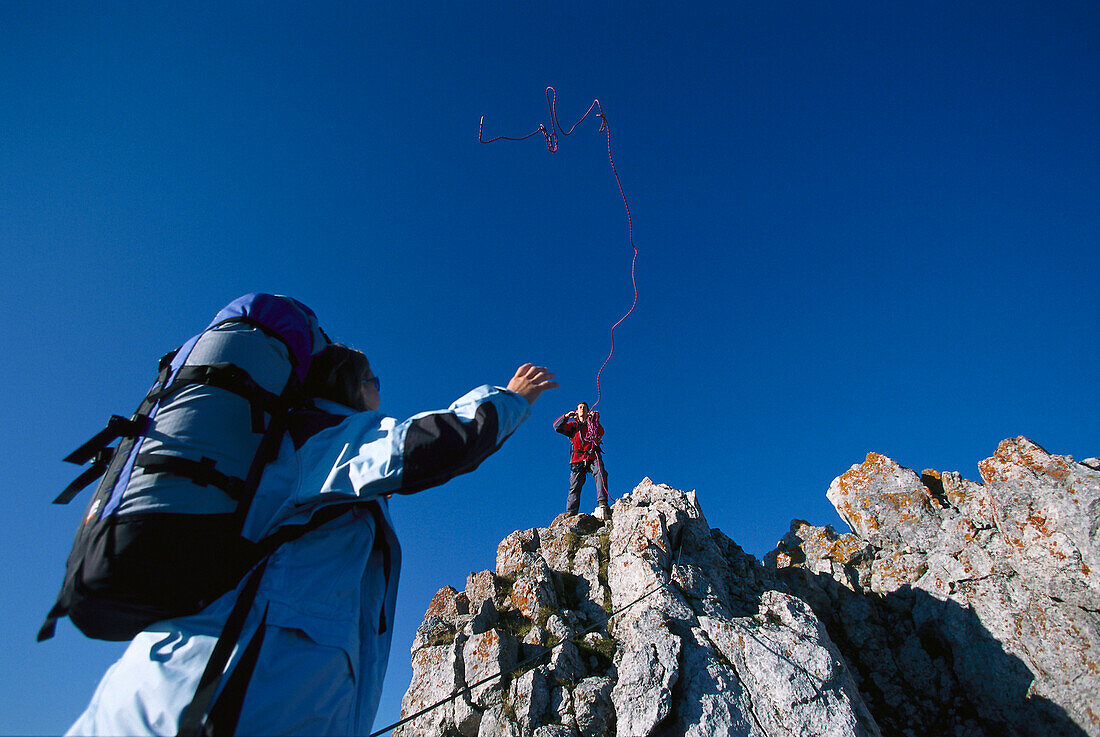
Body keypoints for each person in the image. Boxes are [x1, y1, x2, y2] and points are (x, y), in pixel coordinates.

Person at [66, 344, 558, 736]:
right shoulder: (323, 438)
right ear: (352, 386)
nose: (380, 394)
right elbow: (437, 442)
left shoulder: (279, 453)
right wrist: (510, 398)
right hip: (226, 702)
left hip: (179, 691)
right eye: (375, 383)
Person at [553, 401, 610, 518]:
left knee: (601, 473)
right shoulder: (573, 426)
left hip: (592, 455)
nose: (582, 409)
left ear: (588, 411)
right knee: (575, 484)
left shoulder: (592, 425)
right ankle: (571, 512)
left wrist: (594, 420)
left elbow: (601, 432)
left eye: (584, 407)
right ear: (577, 411)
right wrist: (566, 417)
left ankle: (602, 502)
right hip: (577, 459)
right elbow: (557, 427)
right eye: (580, 408)